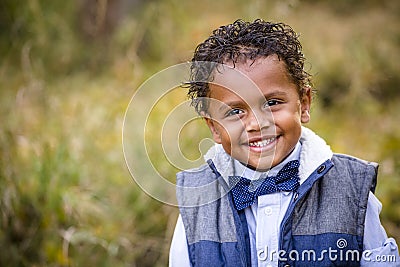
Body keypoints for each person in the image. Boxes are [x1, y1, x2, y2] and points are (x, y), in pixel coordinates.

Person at [169, 19, 399, 266]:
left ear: (304, 104)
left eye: (272, 103)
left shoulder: (352, 190)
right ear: (214, 127)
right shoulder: (197, 203)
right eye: (234, 112)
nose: (257, 124)